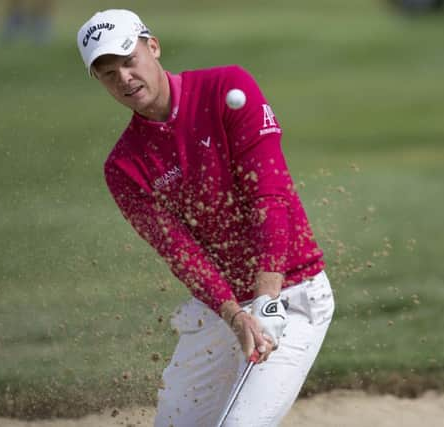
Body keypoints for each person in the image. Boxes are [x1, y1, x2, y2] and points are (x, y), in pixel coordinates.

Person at [77, 9, 334, 426]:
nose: (123, 78)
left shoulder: (227, 87)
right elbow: (181, 253)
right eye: (108, 73)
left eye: (129, 60)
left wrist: (267, 299)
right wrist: (235, 315)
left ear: (153, 47)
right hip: (221, 308)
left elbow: (269, 194)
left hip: (291, 293)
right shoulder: (124, 166)